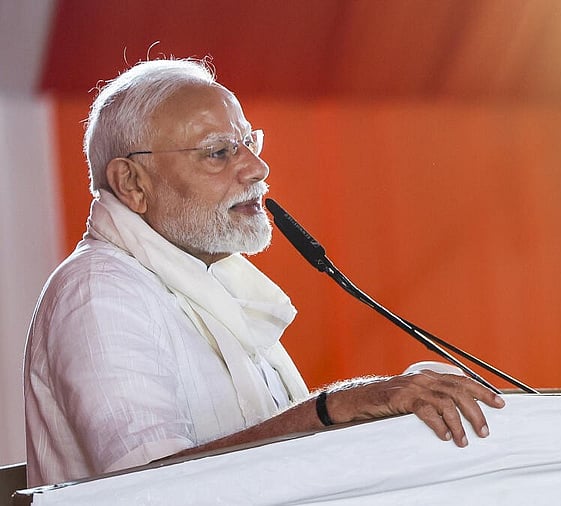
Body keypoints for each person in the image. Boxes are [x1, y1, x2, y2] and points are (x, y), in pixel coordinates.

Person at [23, 58, 505, 487]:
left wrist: (399, 411)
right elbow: (147, 491)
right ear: (132, 183)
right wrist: (334, 410)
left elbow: (278, 463)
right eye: (218, 152)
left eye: (248, 142)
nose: (257, 167)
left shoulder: (210, 278)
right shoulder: (100, 292)